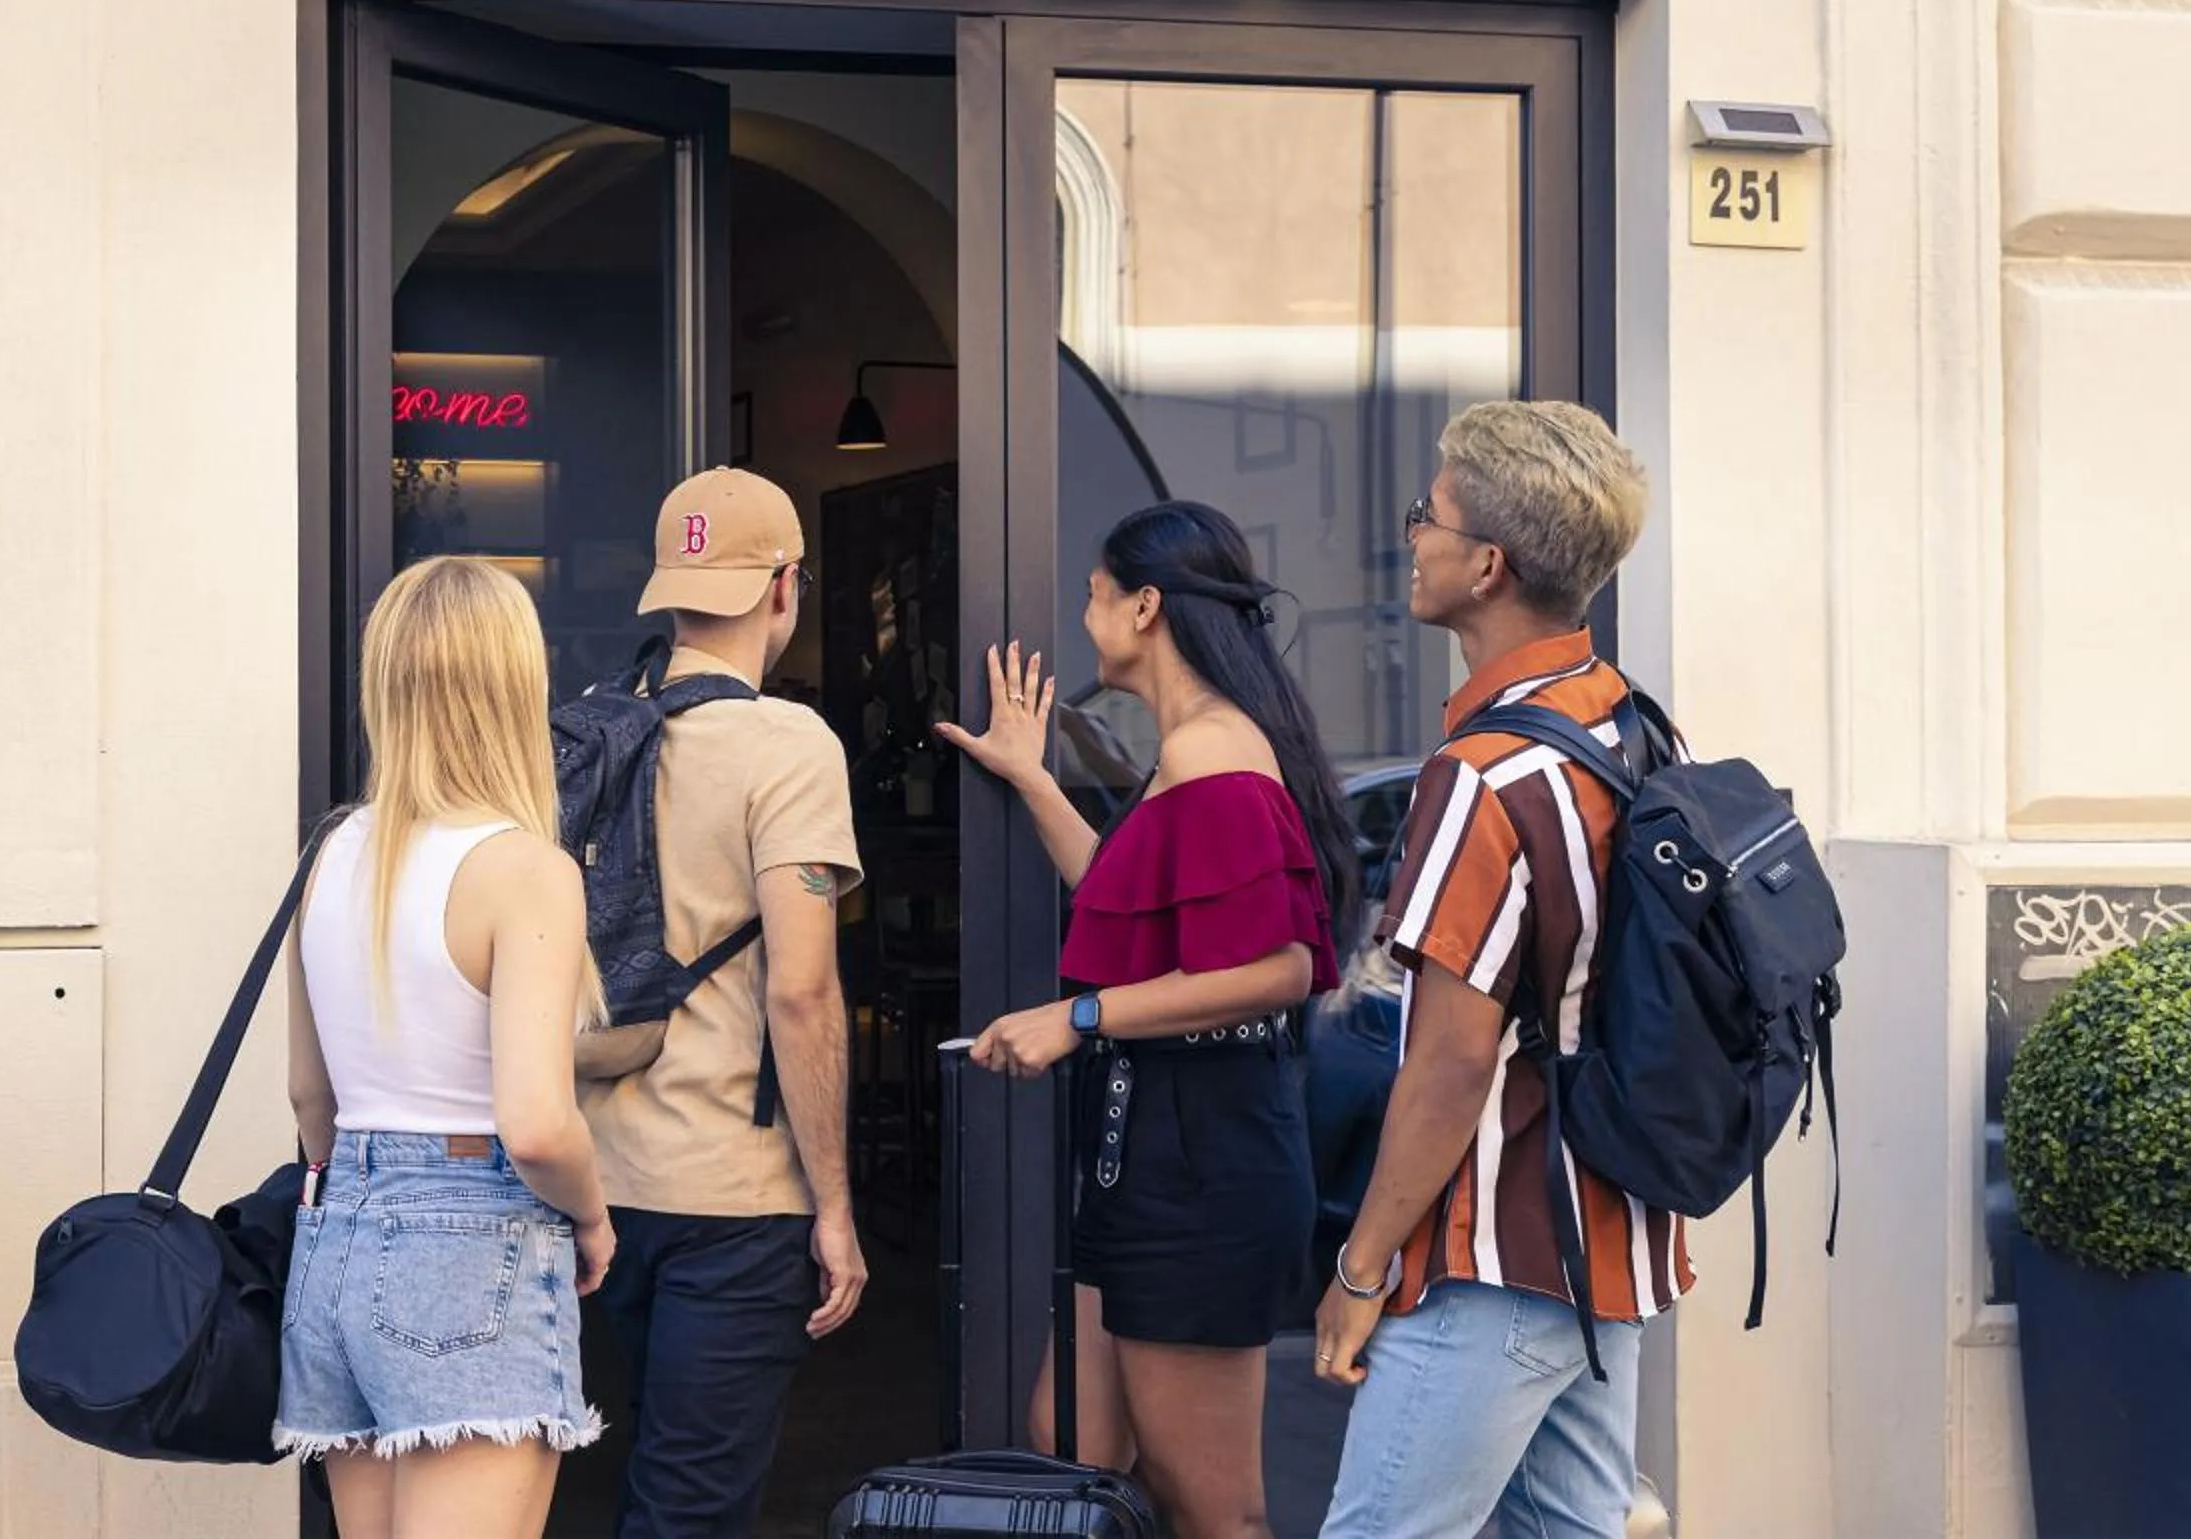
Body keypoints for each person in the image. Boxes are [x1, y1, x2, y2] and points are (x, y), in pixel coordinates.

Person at [940, 499, 1361, 1539]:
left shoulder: (1217, 751)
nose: (1085, 618)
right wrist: (1033, 774)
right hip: (1156, 1146)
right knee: (1074, 1439)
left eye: (1093, 596)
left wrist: (1079, 1015)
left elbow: (1280, 966)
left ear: (1146, 605)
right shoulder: (1191, 751)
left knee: (1212, 1505)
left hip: (1202, 1156)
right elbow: (1125, 912)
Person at [1312, 399, 1688, 1539]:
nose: (1411, 531)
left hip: (1491, 1255)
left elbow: (1450, 1059)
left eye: (1428, 512)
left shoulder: (1486, 773)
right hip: (1608, 1236)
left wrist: (1363, 1266)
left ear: (1485, 565)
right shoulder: (1627, 724)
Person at [276, 556, 613, 1539]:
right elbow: (540, 1123)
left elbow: (311, 1100)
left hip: (335, 1242)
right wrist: (592, 1217)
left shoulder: (335, 852)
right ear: (518, 684)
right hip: (472, 1241)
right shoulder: (523, 869)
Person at [580, 467, 868, 1539]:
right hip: (731, 1204)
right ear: (786, 585)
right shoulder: (787, 746)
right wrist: (834, 1204)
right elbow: (800, 991)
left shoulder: (593, 734)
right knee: (690, 1507)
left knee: (619, 1483)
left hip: (590, 1184)